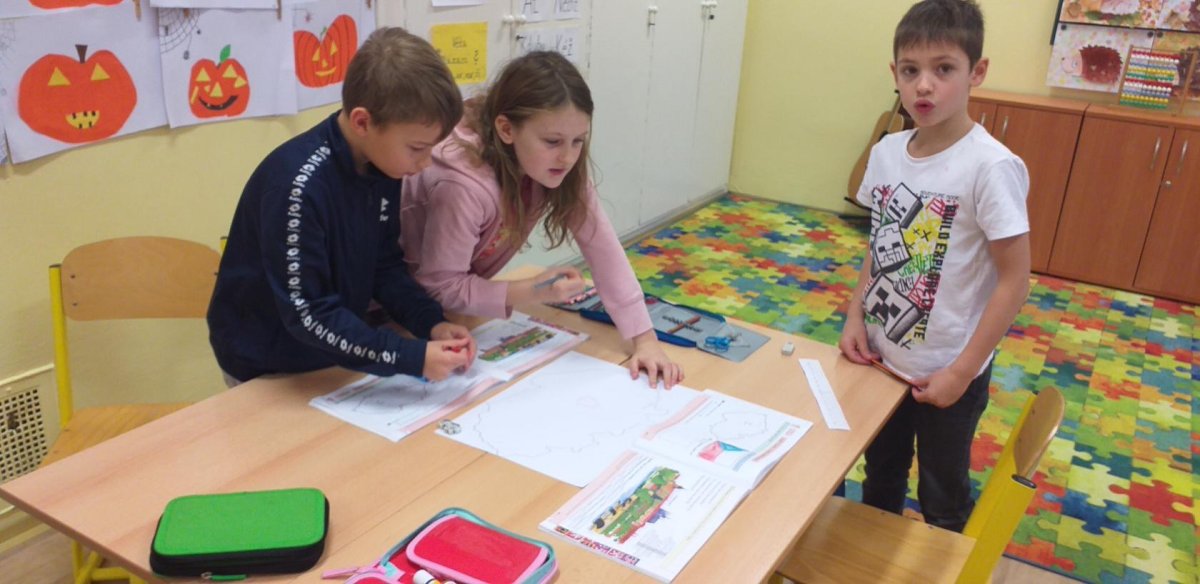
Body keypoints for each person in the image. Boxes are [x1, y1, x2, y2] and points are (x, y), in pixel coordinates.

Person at [837, 0, 1031, 532]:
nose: (924, 85)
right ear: (894, 74)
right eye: (910, 70)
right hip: (882, 358)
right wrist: (855, 318)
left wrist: (961, 372)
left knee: (942, 494)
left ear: (977, 72)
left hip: (949, 369)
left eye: (944, 69)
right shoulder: (887, 153)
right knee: (880, 476)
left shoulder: (991, 167)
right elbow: (879, 244)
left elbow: (1015, 281)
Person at [208, 27, 476, 385]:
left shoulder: (382, 162)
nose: (426, 162)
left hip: (332, 353)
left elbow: (384, 265)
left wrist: (431, 322)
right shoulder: (297, 187)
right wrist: (409, 356)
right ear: (363, 122)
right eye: (417, 148)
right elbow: (309, 314)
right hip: (266, 366)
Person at [399, 51, 684, 388]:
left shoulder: (554, 164)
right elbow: (441, 284)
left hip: (434, 314)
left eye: (578, 141)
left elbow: (602, 248)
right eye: (552, 142)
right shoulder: (463, 184)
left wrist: (645, 339)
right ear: (506, 129)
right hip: (391, 307)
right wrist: (531, 290)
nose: (567, 157)